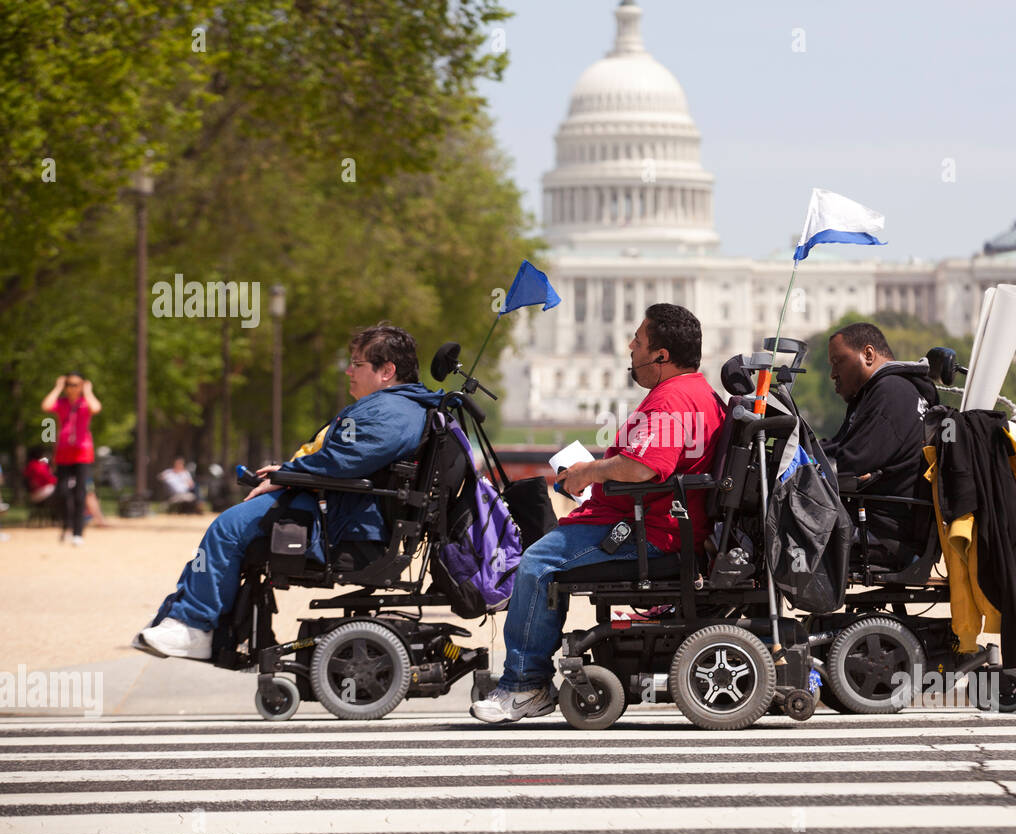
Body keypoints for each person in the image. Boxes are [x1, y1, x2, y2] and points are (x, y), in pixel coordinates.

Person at [471, 304, 726, 723]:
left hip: (649, 531)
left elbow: (646, 466)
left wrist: (588, 471)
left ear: (660, 356)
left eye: (638, 341)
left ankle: (525, 684)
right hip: (656, 523)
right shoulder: (699, 393)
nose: (629, 347)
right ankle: (527, 677)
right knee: (543, 549)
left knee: (537, 562)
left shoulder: (671, 400)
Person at [133, 325, 444, 659]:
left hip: (342, 524)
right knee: (233, 528)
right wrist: (289, 473)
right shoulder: (396, 407)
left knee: (228, 529)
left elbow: (347, 459)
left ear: (387, 371)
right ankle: (190, 623)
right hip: (341, 510)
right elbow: (347, 457)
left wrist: (289, 474)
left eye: (357, 363)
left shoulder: (390, 411)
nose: (348, 370)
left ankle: (194, 627)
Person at [821, 322, 938, 567]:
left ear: (868, 354)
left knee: (779, 526)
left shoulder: (890, 392)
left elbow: (849, 463)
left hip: (883, 535)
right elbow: (843, 447)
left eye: (838, 361)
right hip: (882, 524)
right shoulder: (888, 390)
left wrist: (797, 465)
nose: (833, 373)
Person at [40, 372, 101, 546]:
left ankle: (78, 532)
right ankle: (66, 526)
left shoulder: (85, 403)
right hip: (63, 453)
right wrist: (57, 387)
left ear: (82, 385)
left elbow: (96, 408)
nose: (72, 387)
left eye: (76, 384)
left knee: (81, 493)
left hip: (82, 453)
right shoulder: (61, 403)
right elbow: (46, 406)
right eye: (69, 384)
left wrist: (88, 391)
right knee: (62, 492)